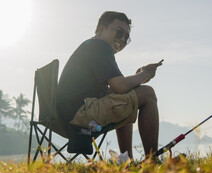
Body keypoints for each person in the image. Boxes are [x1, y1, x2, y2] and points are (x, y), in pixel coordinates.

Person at [56, 11, 162, 159]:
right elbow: (120, 86)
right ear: (101, 30)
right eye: (119, 32)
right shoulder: (99, 46)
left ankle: (127, 160)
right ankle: (152, 160)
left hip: (67, 115)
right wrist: (146, 74)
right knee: (148, 94)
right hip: (79, 115)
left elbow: (117, 88)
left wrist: (137, 79)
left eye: (127, 37)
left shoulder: (92, 47)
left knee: (125, 96)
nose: (123, 39)